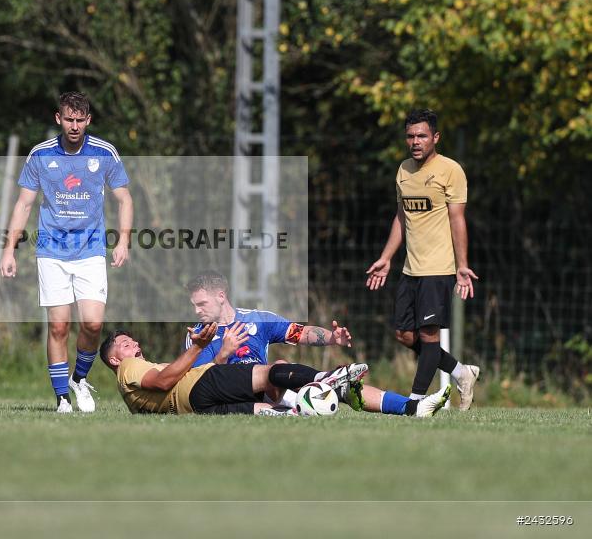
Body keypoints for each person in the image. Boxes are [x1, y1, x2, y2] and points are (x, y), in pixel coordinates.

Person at [0, 92, 133, 413]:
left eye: (80, 120)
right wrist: (9, 250)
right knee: (59, 326)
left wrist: (124, 240)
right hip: (52, 252)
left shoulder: (104, 152)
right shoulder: (41, 154)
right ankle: (62, 397)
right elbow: (24, 204)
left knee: (92, 324)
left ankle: (79, 379)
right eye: (68, 119)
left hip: (90, 252)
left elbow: (124, 199)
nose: (74, 126)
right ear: (58, 119)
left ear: (88, 120)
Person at [184, 270, 450, 417]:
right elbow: (199, 386)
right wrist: (224, 354)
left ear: (221, 296)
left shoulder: (257, 320)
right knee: (279, 367)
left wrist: (331, 338)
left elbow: (299, 332)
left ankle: (411, 407)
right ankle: (318, 389)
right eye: (194, 305)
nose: (197, 311)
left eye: (201, 304)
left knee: (343, 388)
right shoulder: (198, 335)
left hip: (271, 389)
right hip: (235, 396)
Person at [366, 108, 480, 413]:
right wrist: (386, 258)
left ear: (435, 137)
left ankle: (415, 402)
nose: (416, 141)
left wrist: (462, 265)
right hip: (410, 268)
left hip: (439, 268)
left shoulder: (450, 170)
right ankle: (461, 372)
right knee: (404, 335)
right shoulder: (403, 170)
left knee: (429, 337)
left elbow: (458, 219)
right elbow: (402, 217)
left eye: (422, 135)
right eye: (411, 136)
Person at [101, 323, 375, 416]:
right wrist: (198, 347)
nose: (134, 343)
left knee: (272, 413)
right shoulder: (130, 366)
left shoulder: (131, 399)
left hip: (196, 408)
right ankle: (328, 379)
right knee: (269, 373)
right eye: (125, 344)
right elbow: (163, 381)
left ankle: (305, 409)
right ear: (115, 360)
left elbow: (168, 387)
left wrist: (220, 355)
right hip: (203, 386)